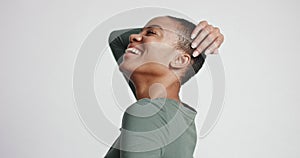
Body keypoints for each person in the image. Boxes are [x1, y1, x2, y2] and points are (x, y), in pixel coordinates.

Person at [104, 15, 224, 158]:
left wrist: (195, 37)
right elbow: (116, 39)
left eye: (151, 33)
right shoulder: (175, 117)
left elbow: (116, 39)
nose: (133, 37)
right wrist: (196, 38)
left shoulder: (149, 113)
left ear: (179, 60)